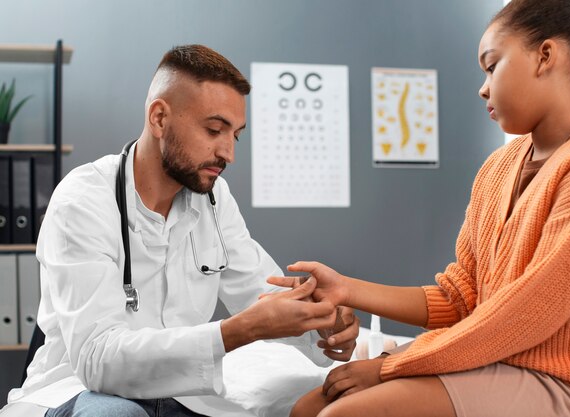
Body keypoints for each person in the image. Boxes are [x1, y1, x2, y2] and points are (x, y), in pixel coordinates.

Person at [273, 0, 570, 416]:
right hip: (504, 361)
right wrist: (347, 289)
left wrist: (392, 365)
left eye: (492, 66)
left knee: (342, 414)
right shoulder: (498, 167)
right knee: (306, 409)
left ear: (545, 56)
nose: (482, 87)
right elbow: (461, 299)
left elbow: (525, 316)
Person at [1, 45, 358, 417]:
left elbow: (261, 293)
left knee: (317, 401)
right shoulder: (83, 200)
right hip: (80, 391)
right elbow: (97, 361)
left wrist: (324, 330)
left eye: (235, 136)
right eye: (214, 130)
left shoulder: (214, 198)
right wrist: (234, 332)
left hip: (180, 395)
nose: (228, 154)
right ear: (159, 118)